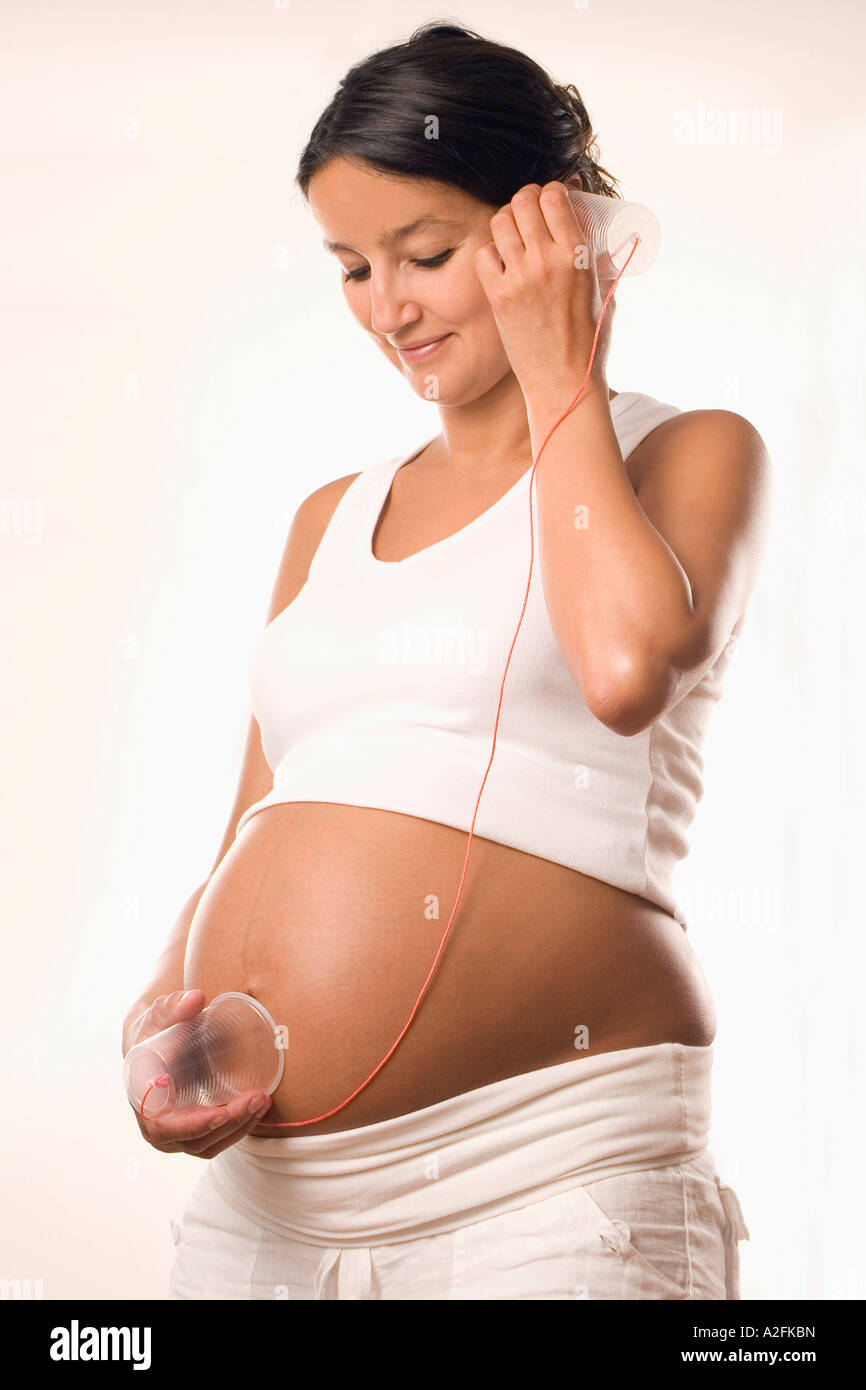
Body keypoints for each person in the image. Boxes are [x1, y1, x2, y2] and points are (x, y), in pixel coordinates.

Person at [122, 20, 770, 1300]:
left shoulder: (685, 452)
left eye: (424, 253)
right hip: (268, 1207)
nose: (387, 308)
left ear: (558, 232)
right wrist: (165, 1012)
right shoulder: (329, 512)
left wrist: (557, 358)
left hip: (544, 1185)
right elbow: (259, 812)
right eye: (352, 267)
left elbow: (626, 667)